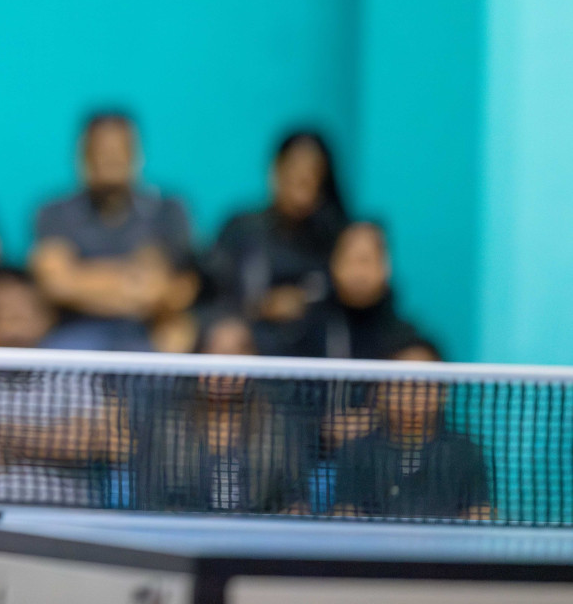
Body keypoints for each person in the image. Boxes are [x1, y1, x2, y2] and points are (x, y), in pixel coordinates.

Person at [31, 112, 193, 352]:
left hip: (147, 334)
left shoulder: (167, 211)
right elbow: (58, 285)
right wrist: (132, 280)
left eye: (119, 149)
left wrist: (83, 276)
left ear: (136, 154)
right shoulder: (54, 213)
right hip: (75, 334)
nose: (110, 158)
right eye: (101, 150)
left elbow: (167, 289)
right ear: (83, 156)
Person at [132, 314, 309, 515]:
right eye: (215, 349)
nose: (225, 364)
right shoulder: (165, 426)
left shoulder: (278, 425)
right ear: (198, 356)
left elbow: (296, 499)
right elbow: (149, 502)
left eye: (238, 351)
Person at [203, 130, 348, 357]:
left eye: (313, 171)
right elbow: (210, 292)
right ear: (276, 170)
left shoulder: (336, 239)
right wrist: (260, 307)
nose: (303, 178)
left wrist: (306, 301)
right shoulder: (241, 229)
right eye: (295, 167)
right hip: (249, 358)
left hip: (312, 361)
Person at [331, 338, 493, 520]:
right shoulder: (356, 453)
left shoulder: (465, 453)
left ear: (443, 392)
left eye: (423, 386)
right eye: (400, 386)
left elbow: (480, 514)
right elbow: (345, 515)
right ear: (379, 392)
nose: (411, 397)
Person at [322, 221, 419, 360]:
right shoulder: (304, 334)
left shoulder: (408, 345)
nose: (358, 273)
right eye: (350, 260)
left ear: (385, 268)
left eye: (365, 260)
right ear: (333, 265)